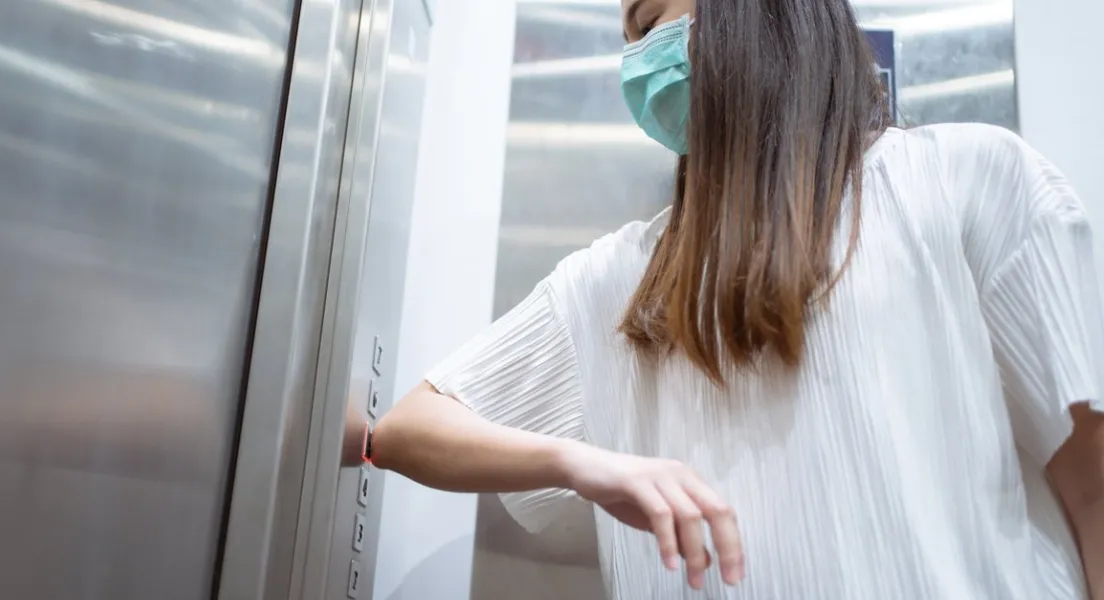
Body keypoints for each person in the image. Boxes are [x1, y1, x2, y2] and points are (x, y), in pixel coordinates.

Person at [371, 0, 1104, 597]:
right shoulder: (622, 276)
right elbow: (407, 430)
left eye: (656, 19)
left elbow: (1092, 488)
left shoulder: (970, 178)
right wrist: (577, 462)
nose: (640, 57)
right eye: (632, 37)